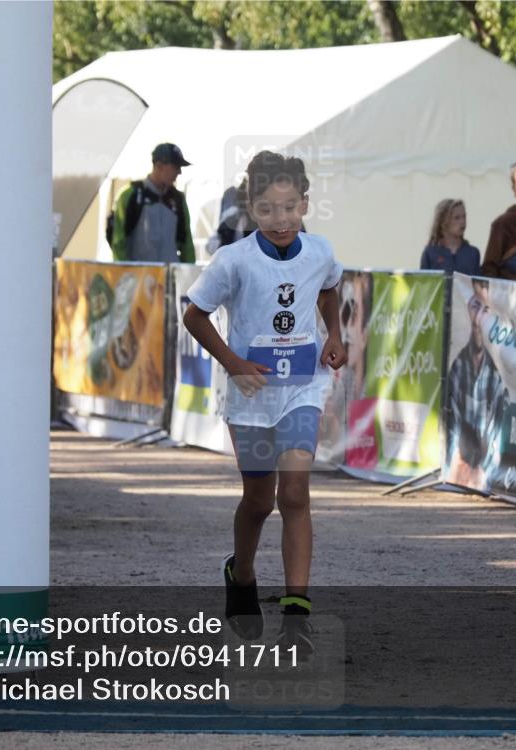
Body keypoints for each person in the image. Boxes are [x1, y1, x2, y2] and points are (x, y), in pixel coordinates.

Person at [183, 151, 346, 655]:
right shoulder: (233, 260)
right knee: (259, 500)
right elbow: (194, 315)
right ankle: (242, 575)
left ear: (305, 204)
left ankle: (297, 614)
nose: (281, 220)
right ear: (253, 209)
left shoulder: (318, 251)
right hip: (251, 396)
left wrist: (334, 334)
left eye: (290, 207)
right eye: (269, 209)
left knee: (294, 494)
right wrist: (233, 361)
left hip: (303, 387)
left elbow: (331, 288)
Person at [444, 278, 508, 491]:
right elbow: (450, 427)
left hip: (483, 474)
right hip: (459, 470)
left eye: (487, 309)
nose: (479, 317)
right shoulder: (458, 367)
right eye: (475, 306)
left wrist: (485, 471)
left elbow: (498, 435)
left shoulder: (498, 376)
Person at [110, 143, 196, 263]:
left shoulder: (178, 199)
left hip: (169, 279)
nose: (179, 172)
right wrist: (126, 276)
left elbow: (187, 243)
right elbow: (118, 242)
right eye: (175, 167)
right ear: (159, 166)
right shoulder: (130, 195)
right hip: (138, 278)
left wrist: (190, 276)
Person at [420, 199, 480, 274]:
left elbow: (477, 283)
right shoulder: (430, 252)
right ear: (443, 221)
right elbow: (424, 283)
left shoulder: (473, 253)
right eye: (456, 218)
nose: (462, 221)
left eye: (464, 216)